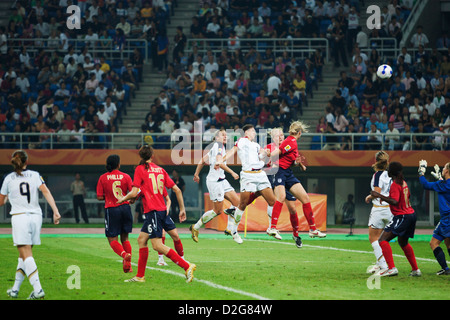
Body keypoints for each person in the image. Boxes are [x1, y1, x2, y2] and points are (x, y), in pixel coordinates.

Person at [117, 145, 196, 283]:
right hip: (160, 211)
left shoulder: (139, 169)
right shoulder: (160, 170)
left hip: (153, 212)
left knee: (157, 245)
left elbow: (134, 193)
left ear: (141, 156)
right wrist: (183, 209)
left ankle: (186, 266)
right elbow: (177, 190)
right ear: (152, 156)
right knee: (141, 240)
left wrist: (122, 199)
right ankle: (140, 276)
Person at [0, 150, 61, 299]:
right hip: (36, 217)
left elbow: (1, 202)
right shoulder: (35, 175)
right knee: (23, 255)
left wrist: (7, 198)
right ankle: (15, 290)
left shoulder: (8, 178)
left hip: (20, 217)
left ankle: (38, 289)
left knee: (26, 254)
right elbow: (46, 192)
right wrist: (55, 211)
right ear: (27, 162)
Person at [217, 124, 283, 242]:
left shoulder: (256, 145)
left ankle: (271, 228)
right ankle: (234, 231)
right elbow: (232, 151)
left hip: (260, 174)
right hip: (248, 175)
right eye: (252, 131)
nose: (254, 133)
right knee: (242, 204)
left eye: (254, 131)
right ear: (246, 133)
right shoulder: (242, 141)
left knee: (272, 201)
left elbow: (261, 155)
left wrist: (266, 153)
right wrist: (222, 160)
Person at [266, 122, 327, 239]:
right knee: (281, 197)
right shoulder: (290, 142)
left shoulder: (292, 143)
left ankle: (312, 229)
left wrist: (300, 165)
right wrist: (270, 157)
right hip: (280, 172)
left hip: (288, 173)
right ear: (299, 133)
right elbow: (278, 152)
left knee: (305, 198)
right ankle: (272, 227)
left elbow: (288, 159)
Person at [371, 162, 421, 277]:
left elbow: (395, 201)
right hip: (411, 214)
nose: (387, 171)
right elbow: (407, 196)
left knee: (382, 240)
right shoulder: (403, 182)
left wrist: (379, 196)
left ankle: (391, 268)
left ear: (392, 172)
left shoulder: (394, 184)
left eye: (388, 169)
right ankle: (415, 270)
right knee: (403, 242)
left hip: (402, 216)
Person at [191, 129, 241, 243]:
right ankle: (196, 227)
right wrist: (232, 172)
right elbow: (219, 162)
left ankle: (229, 228)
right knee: (217, 211)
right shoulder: (218, 146)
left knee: (237, 202)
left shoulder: (216, 147)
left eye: (226, 135)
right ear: (216, 138)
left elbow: (203, 160)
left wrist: (196, 173)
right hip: (215, 182)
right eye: (222, 135)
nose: (225, 136)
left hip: (222, 180)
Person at [96, 155, 134, 273]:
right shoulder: (126, 176)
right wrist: (130, 199)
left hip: (112, 209)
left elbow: (99, 196)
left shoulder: (103, 178)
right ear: (118, 164)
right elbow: (133, 193)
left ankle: (124, 255)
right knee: (125, 238)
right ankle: (129, 265)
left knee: (112, 239)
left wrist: (109, 196)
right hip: (125, 208)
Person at [418, 161, 450, 275]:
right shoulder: (445, 184)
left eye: (444, 167)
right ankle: (446, 269)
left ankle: (446, 269)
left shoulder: (443, 185)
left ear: (447, 171)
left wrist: (421, 171)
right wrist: (440, 179)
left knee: (434, 243)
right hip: (447, 219)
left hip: (447, 219)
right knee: (448, 244)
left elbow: (425, 185)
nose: (442, 168)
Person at [364, 151, 392, 274]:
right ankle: (379, 263)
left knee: (373, 238)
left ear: (375, 161)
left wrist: (369, 197)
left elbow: (377, 191)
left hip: (379, 209)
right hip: (390, 209)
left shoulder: (377, 175)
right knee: (382, 239)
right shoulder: (390, 175)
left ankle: (383, 265)